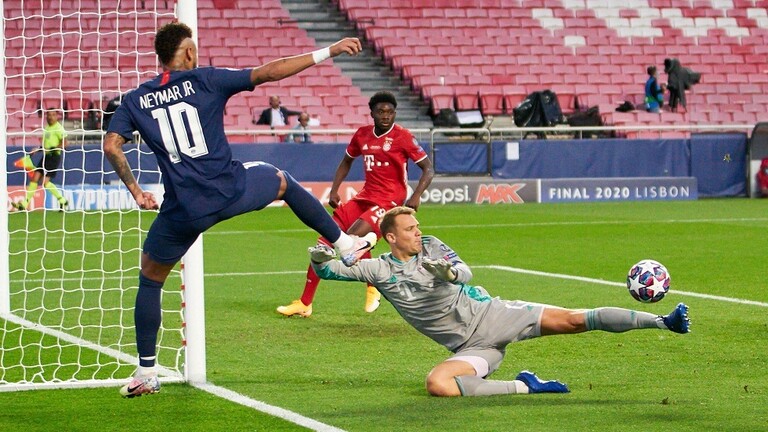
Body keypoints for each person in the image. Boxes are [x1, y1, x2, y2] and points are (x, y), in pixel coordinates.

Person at [103, 22, 373, 398]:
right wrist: (328, 51)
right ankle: (344, 244)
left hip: (183, 209)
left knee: (150, 278)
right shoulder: (206, 79)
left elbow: (111, 145)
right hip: (229, 190)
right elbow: (268, 72)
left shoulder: (135, 99)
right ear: (189, 52)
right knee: (282, 181)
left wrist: (136, 192)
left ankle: (146, 372)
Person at [308, 206, 691, 397]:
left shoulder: (432, 246)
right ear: (391, 238)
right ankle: (525, 386)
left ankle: (662, 321)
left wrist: (449, 274)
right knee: (438, 384)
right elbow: (329, 271)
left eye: (418, 226)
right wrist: (319, 258)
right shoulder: (378, 270)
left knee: (574, 320)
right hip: (470, 347)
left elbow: (465, 272)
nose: (418, 232)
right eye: (410, 229)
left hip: (493, 316)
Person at [277, 91, 435, 317]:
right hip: (366, 196)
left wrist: (416, 195)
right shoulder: (362, 135)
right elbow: (346, 161)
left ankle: (373, 286)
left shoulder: (403, 137)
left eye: (390, 112)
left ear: (395, 114)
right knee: (323, 243)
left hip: (390, 199)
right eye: (380, 111)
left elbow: (428, 169)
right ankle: (304, 303)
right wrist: (334, 189)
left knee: (352, 238)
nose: (385, 116)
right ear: (372, 113)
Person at [12, 108, 69, 211]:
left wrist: (53, 148)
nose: (51, 117)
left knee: (44, 182)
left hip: (53, 157)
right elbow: (46, 145)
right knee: (35, 178)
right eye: (49, 115)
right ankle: (24, 204)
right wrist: (37, 149)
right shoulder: (47, 128)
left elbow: (65, 144)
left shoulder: (59, 128)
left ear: (57, 116)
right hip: (46, 156)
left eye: (53, 115)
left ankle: (62, 200)